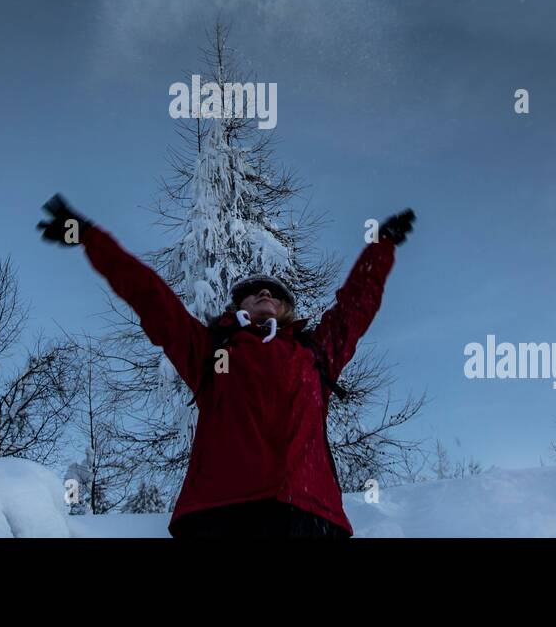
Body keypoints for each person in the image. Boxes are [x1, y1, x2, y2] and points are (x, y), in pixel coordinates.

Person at [37, 193, 415, 538]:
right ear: (238, 308)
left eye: (276, 293)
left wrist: (381, 246)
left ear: (287, 310)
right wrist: (89, 237)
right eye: (254, 292)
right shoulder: (209, 349)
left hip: (309, 512)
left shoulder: (316, 354)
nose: (265, 293)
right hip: (222, 513)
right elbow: (150, 296)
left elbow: (356, 304)